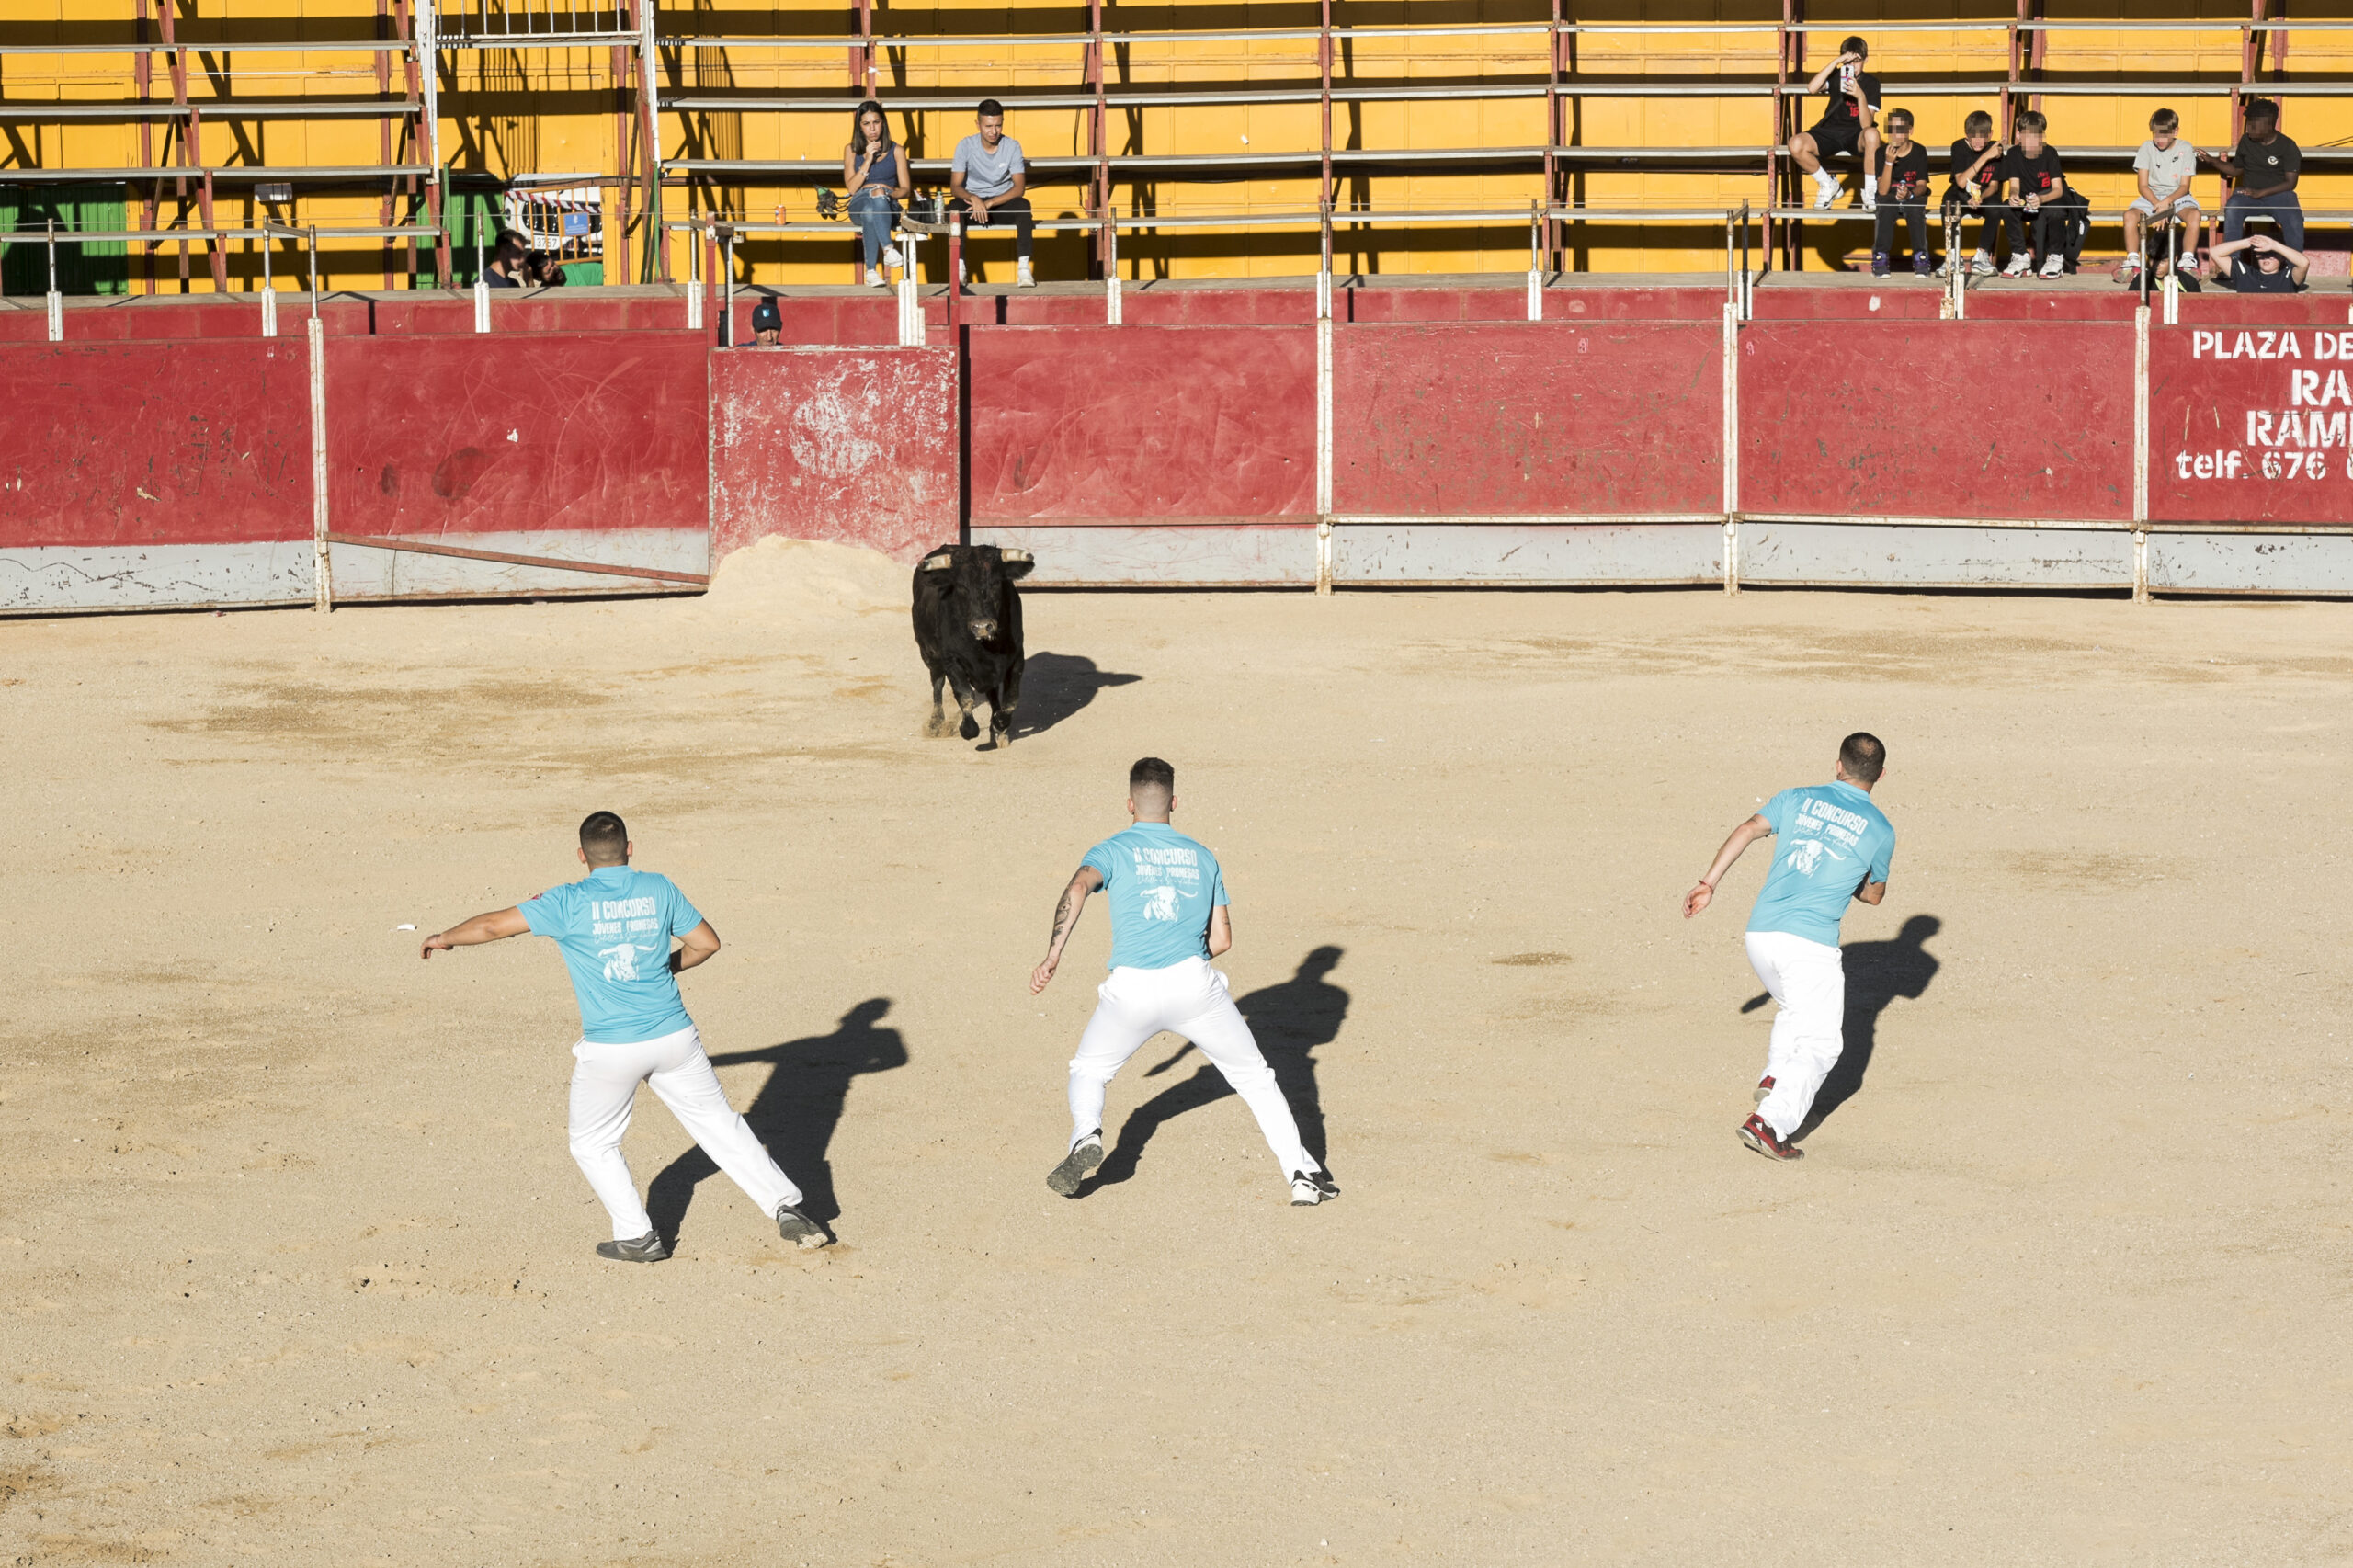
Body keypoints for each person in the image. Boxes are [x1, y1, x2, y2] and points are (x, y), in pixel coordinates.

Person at [419, 811, 827, 1261]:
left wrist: (445, 938)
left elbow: (493, 926)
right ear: (629, 849)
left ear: (581, 856)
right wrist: (663, 969)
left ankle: (638, 1235)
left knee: (593, 1143)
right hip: (675, 1037)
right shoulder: (660, 888)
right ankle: (787, 1206)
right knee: (719, 1124)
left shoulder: (567, 901)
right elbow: (706, 944)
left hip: (612, 1047)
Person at [1029, 757, 1336, 1207]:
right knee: (1256, 1080)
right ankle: (1302, 1177)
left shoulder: (1112, 850)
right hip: (1194, 986)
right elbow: (1223, 939)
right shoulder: (1203, 856)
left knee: (1090, 1071)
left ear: (1130, 804)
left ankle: (1085, 1136)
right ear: (1174, 802)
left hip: (1131, 990)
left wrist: (1054, 953)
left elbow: (1077, 888)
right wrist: (1183, 959)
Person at [1680, 733, 1896, 1163]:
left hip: (1760, 935)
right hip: (1809, 944)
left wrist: (1708, 884)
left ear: (1838, 765)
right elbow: (1874, 896)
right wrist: (1848, 874)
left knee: (1794, 1007)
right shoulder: (1880, 830)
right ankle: (1770, 1123)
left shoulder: (1796, 797)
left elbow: (1748, 829)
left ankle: (1776, 1075)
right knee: (1822, 1044)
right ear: (1882, 775)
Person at [1788, 36, 1881, 210]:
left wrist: (1860, 95)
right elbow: (1812, 88)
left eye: (1857, 62)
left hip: (1856, 133)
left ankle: (1870, 192)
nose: (1852, 66)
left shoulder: (1871, 83)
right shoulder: (1838, 76)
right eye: (1849, 62)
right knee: (1795, 143)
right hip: (1830, 131)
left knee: (1873, 134)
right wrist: (1837, 62)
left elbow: (1867, 125)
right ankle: (1828, 185)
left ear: (1865, 60)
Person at [950, 98, 1035, 287]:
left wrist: (988, 203)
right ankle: (960, 269)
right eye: (988, 126)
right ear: (978, 124)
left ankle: (1024, 270)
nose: (993, 131)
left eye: (998, 125)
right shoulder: (965, 145)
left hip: (999, 204)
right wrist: (974, 198)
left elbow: (1019, 188)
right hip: (973, 205)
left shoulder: (1012, 146)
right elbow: (955, 187)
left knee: (1023, 206)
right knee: (954, 208)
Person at [2203, 98, 2302, 254]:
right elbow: (2236, 170)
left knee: (2294, 218)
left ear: (2269, 126)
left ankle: (2295, 267)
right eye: (2248, 124)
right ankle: (2232, 264)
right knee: (2233, 207)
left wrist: (2261, 193)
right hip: (2248, 195)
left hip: (2280, 195)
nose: (2248, 129)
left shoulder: (2288, 146)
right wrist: (2212, 161)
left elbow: (2291, 183)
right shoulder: (2246, 141)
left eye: (2253, 126)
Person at [1995, 110, 2082, 278]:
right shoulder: (2013, 154)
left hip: (2048, 199)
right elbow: (2014, 186)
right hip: (2027, 201)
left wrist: (2041, 199)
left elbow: (2058, 190)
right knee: (2006, 208)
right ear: (2019, 135)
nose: (2033, 141)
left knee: (2056, 210)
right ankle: (2021, 257)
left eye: (2037, 136)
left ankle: (2055, 257)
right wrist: (2014, 196)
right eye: (2028, 136)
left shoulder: (2050, 153)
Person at [2120, 108, 2200, 285]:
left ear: (2176, 131)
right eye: (2157, 135)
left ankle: (2186, 261)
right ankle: (2133, 260)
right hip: (2152, 196)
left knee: (2194, 215)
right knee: (2129, 216)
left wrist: (2167, 202)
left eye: (2164, 136)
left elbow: (2185, 186)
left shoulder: (2185, 148)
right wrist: (2158, 204)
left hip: (2177, 196)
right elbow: (2142, 186)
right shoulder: (2147, 147)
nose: (2160, 140)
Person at [842, 98, 910, 289]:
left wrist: (886, 194)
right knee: (869, 205)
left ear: (883, 123)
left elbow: (905, 189)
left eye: (876, 122)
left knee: (872, 210)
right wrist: (868, 159)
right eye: (866, 124)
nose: (872, 129)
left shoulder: (897, 150)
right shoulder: (851, 150)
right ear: (860, 127)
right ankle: (888, 250)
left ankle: (871, 271)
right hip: (860, 200)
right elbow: (851, 188)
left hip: (887, 203)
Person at [1870, 108, 1935, 277]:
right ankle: (1880, 258)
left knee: (1915, 208)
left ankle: (1920, 257)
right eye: (1891, 129)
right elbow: (1882, 190)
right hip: (1889, 195)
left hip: (1911, 194)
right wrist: (1889, 162)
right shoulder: (1880, 153)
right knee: (1885, 205)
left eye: (1900, 129)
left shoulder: (1919, 151)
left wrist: (1909, 194)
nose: (1895, 134)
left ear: (1910, 131)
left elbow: (1922, 185)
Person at [1945, 110, 2005, 277]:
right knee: (1947, 205)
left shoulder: (1996, 149)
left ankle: (1981, 255)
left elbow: (1993, 186)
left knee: (1996, 207)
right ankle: (1953, 255)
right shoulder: (1958, 147)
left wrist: (1980, 197)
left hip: (1984, 194)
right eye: (1973, 136)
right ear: (1966, 134)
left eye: (1983, 136)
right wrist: (1986, 156)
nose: (1978, 141)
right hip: (1961, 193)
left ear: (1990, 134)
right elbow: (1961, 182)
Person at [2205, 231, 2310, 292]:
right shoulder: (2245, 274)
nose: (2266, 257)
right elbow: (2214, 252)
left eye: (2271, 253)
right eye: (2262, 253)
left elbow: (2304, 263)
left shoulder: (2287, 277)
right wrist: (2250, 242)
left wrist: (2274, 245)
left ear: (2282, 257)